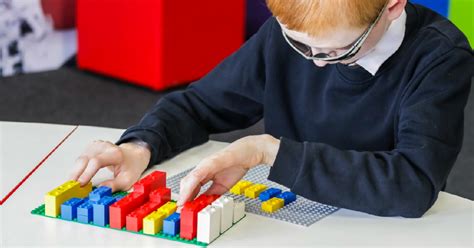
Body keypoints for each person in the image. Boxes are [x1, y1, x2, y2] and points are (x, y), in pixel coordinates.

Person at [70, 0, 473, 217]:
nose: (315, 63)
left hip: (379, 225)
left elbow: (412, 185)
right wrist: (141, 145)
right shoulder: (285, 39)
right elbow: (200, 105)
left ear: (392, 5)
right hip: (289, 216)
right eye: (300, 44)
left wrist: (269, 152)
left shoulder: (440, 56)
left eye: (337, 50)